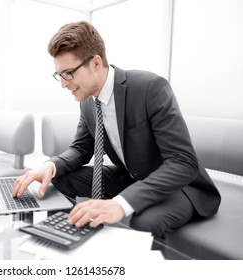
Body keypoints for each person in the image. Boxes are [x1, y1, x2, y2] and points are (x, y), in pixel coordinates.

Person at [12, 21, 221, 239]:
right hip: (132, 176)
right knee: (59, 179)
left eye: (68, 74)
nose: (63, 84)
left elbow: (183, 162)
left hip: (182, 186)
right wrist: (49, 166)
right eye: (59, 75)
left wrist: (121, 203)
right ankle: (64, 240)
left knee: (144, 223)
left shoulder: (150, 88)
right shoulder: (87, 101)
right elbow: (81, 149)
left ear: (95, 62)